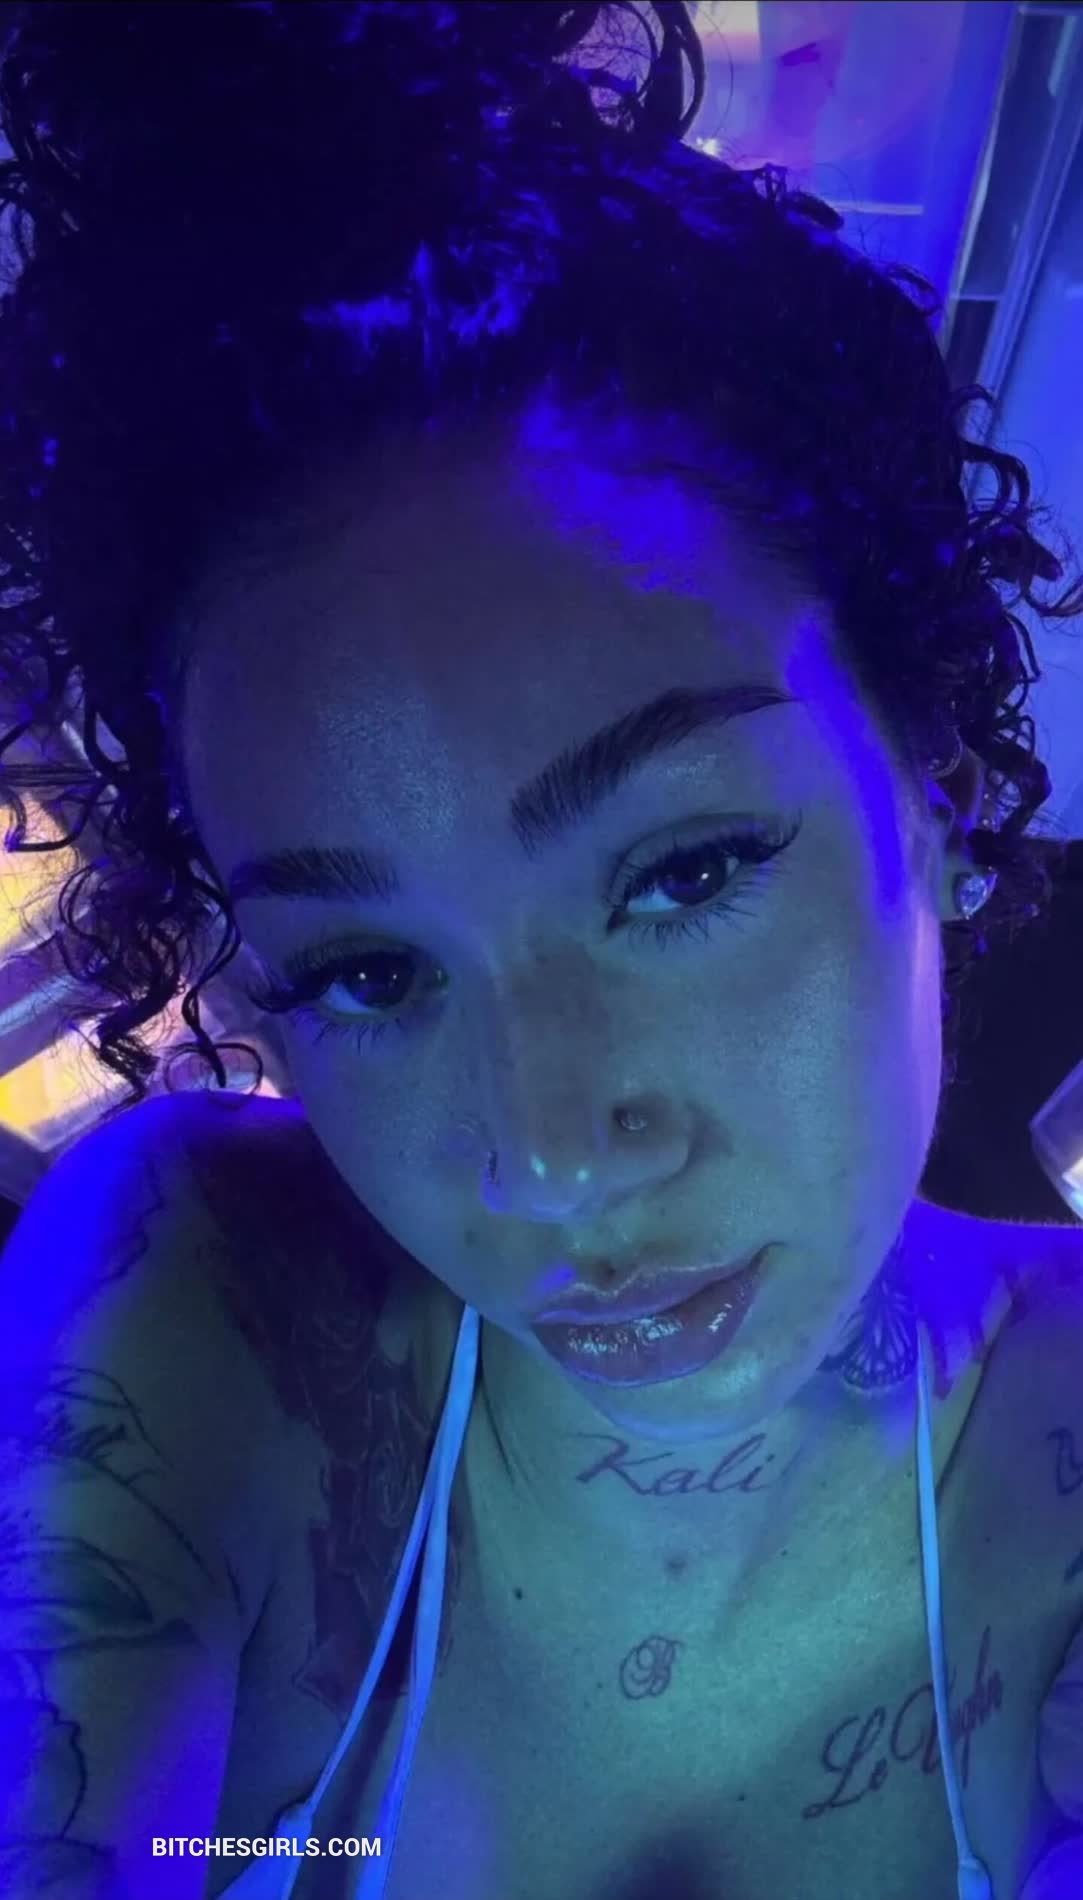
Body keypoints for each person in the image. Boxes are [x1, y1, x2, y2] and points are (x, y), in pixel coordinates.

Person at [1, 5, 1082, 1898]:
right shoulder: (214, 1308)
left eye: (682, 872)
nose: (548, 1156)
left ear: (937, 789)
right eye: (371, 974)